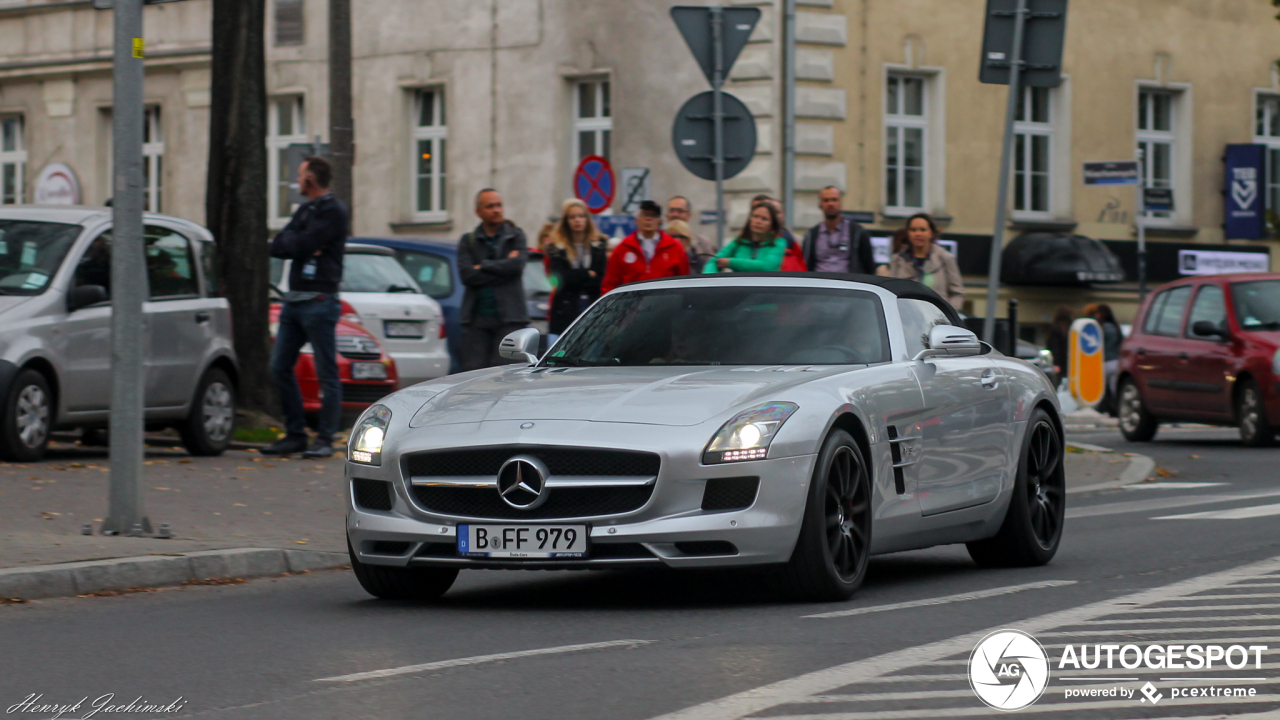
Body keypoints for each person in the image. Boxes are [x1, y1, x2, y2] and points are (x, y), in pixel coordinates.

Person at [263, 156, 349, 459]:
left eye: (300, 177)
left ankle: (325, 438)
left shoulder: (334, 212)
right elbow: (279, 245)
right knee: (279, 366)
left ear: (310, 181)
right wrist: (301, 242)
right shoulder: (305, 209)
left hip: (320, 301)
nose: (297, 182)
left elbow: (296, 244)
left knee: (327, 373)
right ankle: (295, 434)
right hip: (294, 301)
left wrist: (299, 242)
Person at [456, 189, 530, 371]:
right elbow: (467, 275)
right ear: (478, 212)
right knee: (474, 374)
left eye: (499, 205)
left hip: (510, 319)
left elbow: (516, 267)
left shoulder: (516, 236)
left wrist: (483, 265)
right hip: (477, 321)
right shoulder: (468, 241)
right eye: (490, 206)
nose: (496, 210)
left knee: (506, 375)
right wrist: (503, 267)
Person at [545, 198, 608, 336]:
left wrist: (575, 276)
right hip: (565, 310)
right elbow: (560, 278)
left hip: (592, 307)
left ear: (587, 219)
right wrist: (586, 274)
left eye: (581, 216)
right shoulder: (557, 248)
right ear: (566, 221)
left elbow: (600, 279)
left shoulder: (598, 246)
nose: (577, 220)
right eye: (572, 217)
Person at [600, 200, 690, 294]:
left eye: (653, 216)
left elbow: (684, 282)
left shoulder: (673, 247)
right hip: (631, 304)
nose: (648, 219)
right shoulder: (623, 248)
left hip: (665, 304)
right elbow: (610, 284)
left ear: (659, 221)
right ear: (637, 220)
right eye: (644, 215)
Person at [887, 212, 965, 310]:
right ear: (907, 233)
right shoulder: (897, 260)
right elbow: (890, 292)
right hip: (906, 318)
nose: (918, 234)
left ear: (931, 233)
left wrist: (949, 314)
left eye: (923, 230)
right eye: (913, 230)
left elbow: (957, 293)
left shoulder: (945, 258)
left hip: (937, 319)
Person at [803, 186, 878, 275]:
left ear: (841, 203)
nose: (830, 203)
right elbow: (805, 264)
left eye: (834, 200)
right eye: (826, 200)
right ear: (820, 204)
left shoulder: (857, 233)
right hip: (819, 286)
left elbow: (868, 265)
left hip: (848, 286)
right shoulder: (812, 235)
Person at [703, 202, 787, 273]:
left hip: (765, 290)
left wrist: (731, 262)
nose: (758, 221)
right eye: (755, 216)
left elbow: (767, 266)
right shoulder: (738, 242)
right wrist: (708, 281)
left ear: (772, 224)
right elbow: (714, 261)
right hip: (739, 290)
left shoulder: (778, 243)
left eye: (764, 219)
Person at [1087, 302, 1124, 413]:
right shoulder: (1116, 327)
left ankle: (1098, 410)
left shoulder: (1100, 328)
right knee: (1115, 390)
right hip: (1116, 362)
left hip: (1103, 362)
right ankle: (1119, 410)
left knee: (1099, 390)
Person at [666, 196, 718, 267]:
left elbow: (712, 269)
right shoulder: (657, 241)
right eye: (672, 210)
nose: (675, 214)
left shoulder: (703, 244)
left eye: (680, 211)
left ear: (688, 215)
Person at [1045, 304, 1074, 381]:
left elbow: (1054, 347)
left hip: (1060, 364)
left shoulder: (1055, 329)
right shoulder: (1071, 329)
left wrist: (1056, 363)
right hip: (1070, 363)